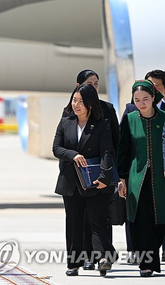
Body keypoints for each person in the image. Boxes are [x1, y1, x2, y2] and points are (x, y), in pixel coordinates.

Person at [53, 84, 117, 277]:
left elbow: (108, 152)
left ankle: (104, 258)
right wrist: (73, 155)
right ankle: (73, 264)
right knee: (73, 223)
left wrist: (105, 177)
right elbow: (56, 148)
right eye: (74, 100)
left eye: (81, 101)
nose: (76, 105)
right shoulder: (66, 122)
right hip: (71, 181)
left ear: (90, 104)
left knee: (96, 220)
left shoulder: (102, 124)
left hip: (95, 180)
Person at [66, 69, 119, 270]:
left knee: (98, 217)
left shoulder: (107, 109)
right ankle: (86, 258)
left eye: (97, 83)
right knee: (79, 219)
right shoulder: (69, 111)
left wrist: (110, 173)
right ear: (79, 86)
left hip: (99, 173)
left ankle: (103, 256)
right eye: (90, 83)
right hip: (75, 175)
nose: (94, 87)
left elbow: (114, 143)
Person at [117, 80, 165, 277]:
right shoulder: (130, 119)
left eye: (146, 99)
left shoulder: (163, 118)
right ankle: (146, 264)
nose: (142, 103)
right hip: (137, 177)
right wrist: (122, 179)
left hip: (161, 179)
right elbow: (123, 151)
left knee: (159, 219)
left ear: (154, 97)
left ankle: (153, 257)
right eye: (137, 100)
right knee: (139, 220)